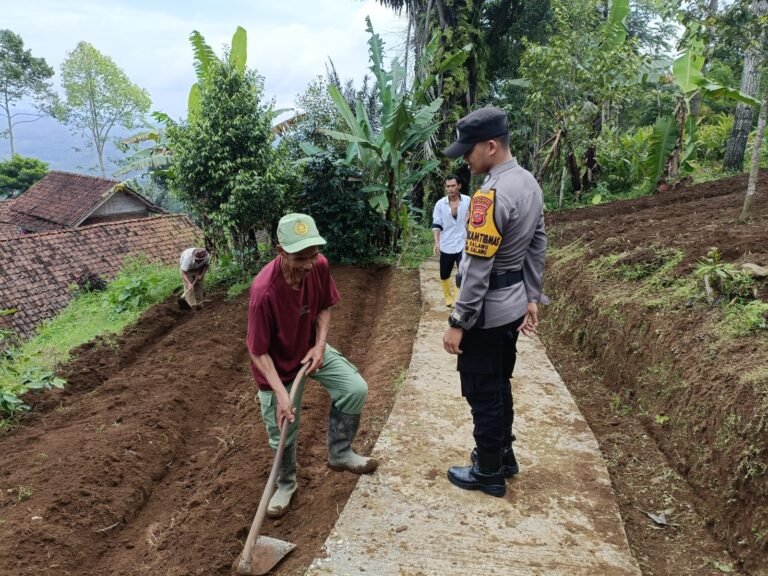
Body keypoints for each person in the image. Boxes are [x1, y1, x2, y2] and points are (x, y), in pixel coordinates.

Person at [441, 107, 548, 498]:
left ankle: (487, 471)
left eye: (469, 150)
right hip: (513, 305)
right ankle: (503, 454)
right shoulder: (529, 183)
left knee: (482, 388)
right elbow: (538, 244)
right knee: (500, 382)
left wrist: (458, 320)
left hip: (485, 314)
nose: (465, 158)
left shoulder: (490, 196)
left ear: (491, 145)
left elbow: (478, 266)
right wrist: (532, 297)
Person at [246, 213, 378, 519]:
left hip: (308, 351)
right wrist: (281, 394)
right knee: (283, 433)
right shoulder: (263, 292)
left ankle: (340, 452)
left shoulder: (319, 265)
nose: (308, 263)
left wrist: (319, 346)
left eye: (313, 254)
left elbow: (323, 307)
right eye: (300, 257)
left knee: (354, 388)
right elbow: (257, 352)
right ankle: (286, 483)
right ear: (280, 251)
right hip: (276, 368)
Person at [432, 175, 471, 308]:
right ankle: (448, 296)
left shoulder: (468, 201)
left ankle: (457, 298)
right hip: (446, 243)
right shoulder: (440, 204)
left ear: (459, 186)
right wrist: (437, 243)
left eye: (453, 186)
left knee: (463, 271)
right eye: (447, 186)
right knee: (444, 273)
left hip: (462, 243)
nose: (450, 189)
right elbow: (436, 225)